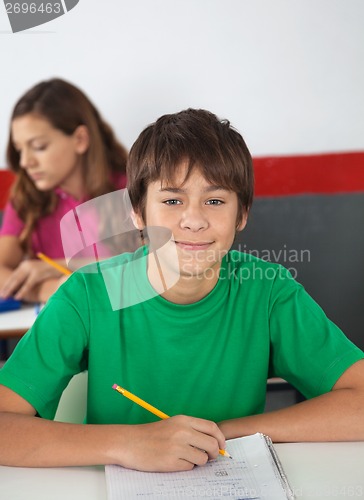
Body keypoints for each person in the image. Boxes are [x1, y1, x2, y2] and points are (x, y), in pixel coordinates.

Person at [0, 108, 363, 472]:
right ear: (138, 214)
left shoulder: (268, 292)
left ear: (242, 213)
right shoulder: (87, 295)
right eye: (172, 201)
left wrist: (223, 433)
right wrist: (129, 444)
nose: (194, 220)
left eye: (215, 200)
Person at [0, 78, 128, 303]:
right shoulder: (25, 197)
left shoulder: (130, 188)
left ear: (80, 139)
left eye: (39, 147)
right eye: (20, 150)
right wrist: (50, 290)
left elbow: (149, 265)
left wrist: (58, 268)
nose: (25, 162)